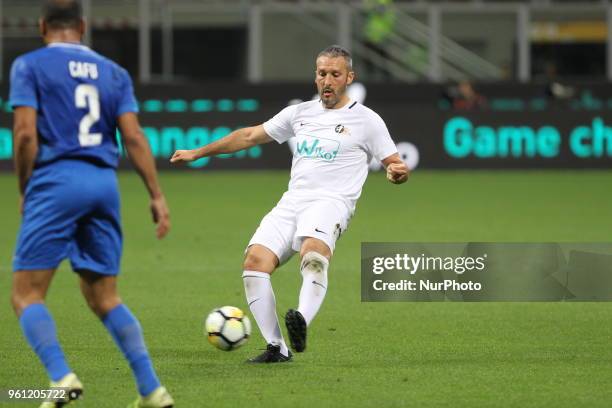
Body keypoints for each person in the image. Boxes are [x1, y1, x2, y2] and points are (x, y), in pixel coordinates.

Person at [171, 45, 409, 363]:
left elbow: (393, 162)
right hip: (293, 200)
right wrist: (197, 153)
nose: (327, 80)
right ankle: (276, 347)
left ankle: (301, 321)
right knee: (254, 262)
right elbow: (249, 136)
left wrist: (397, 172)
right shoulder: (300, 114)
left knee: (313, 254)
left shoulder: (367, 121)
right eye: (322, 73)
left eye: (335, 74)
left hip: (331, 202)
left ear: (349, 77)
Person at [9, 1, 173, 406]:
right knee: (104, 296)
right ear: (83, 26)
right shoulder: (113, 72)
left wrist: (24, 186)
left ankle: (60, 377)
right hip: (103, 183)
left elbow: (26, 134)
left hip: (57, 180)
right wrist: (156, 194)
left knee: (26, 294)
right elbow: (133, 138)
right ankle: (152, 390)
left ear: (42, 25)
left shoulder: (28, 65)